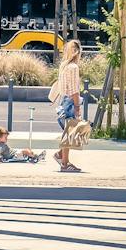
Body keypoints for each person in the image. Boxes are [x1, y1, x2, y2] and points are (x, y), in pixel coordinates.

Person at [48, 39, 87, 173]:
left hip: (62, 101)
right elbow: (74, 90)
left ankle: (61, 155)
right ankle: (64, 163)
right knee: (70, 133)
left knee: (68, 132)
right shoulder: (74, 67)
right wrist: (77, 108)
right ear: (77, 52)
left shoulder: (64, 66)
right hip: (70, 101)